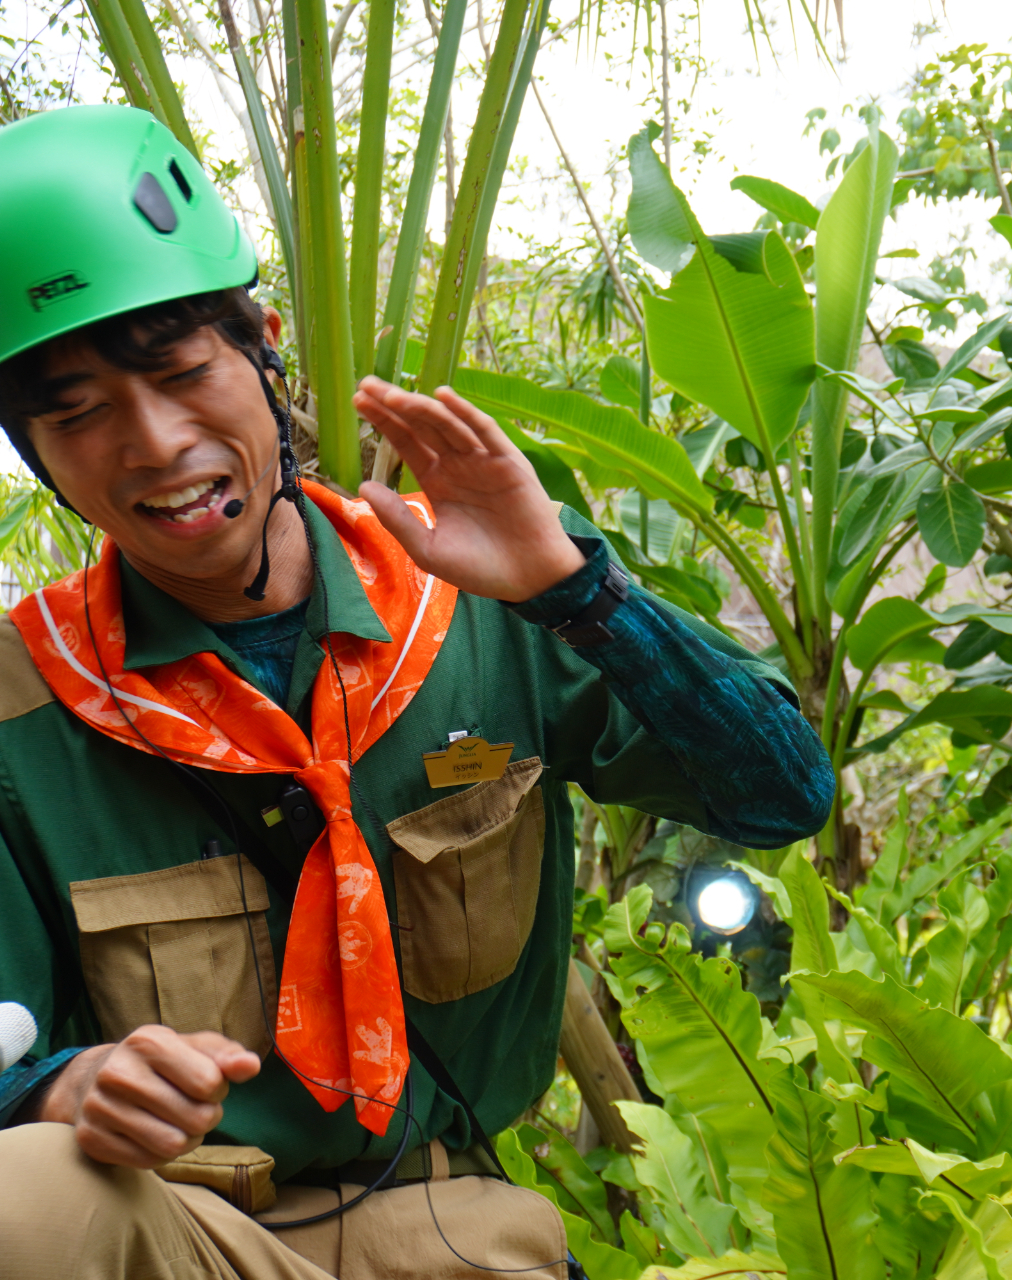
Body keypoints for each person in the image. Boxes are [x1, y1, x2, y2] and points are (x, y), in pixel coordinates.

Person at [0, 104, 834, 1278]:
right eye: (75, 412)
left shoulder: (474, 602)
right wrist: (58, 1087)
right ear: (34, 451)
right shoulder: (20, 712)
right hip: (179, 1233)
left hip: (452, 1233)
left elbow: (782, 793)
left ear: (264, 353)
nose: (152, 442)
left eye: (185, 375)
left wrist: (572, 589)